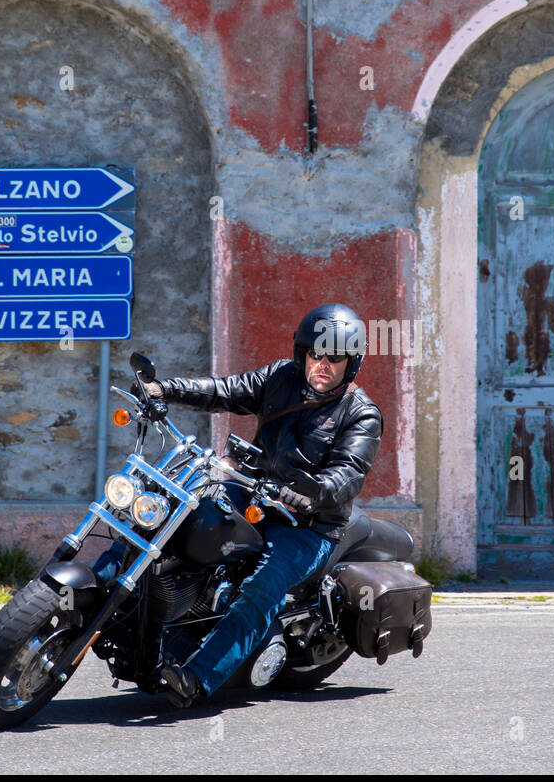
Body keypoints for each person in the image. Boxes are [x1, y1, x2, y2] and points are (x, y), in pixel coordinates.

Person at [140, 303, 381, 707]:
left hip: (308, 524)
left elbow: (348, 473)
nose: (322, 364)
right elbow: (223, 390)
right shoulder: (279, 377)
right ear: (302, 353)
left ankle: (198, 678)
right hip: (253, 493)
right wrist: (164, 389)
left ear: (350, 363)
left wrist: (311, 489)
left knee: (262, 586)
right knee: (176, 517)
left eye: (334, 357)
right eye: (314, 353)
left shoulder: (361, 414)